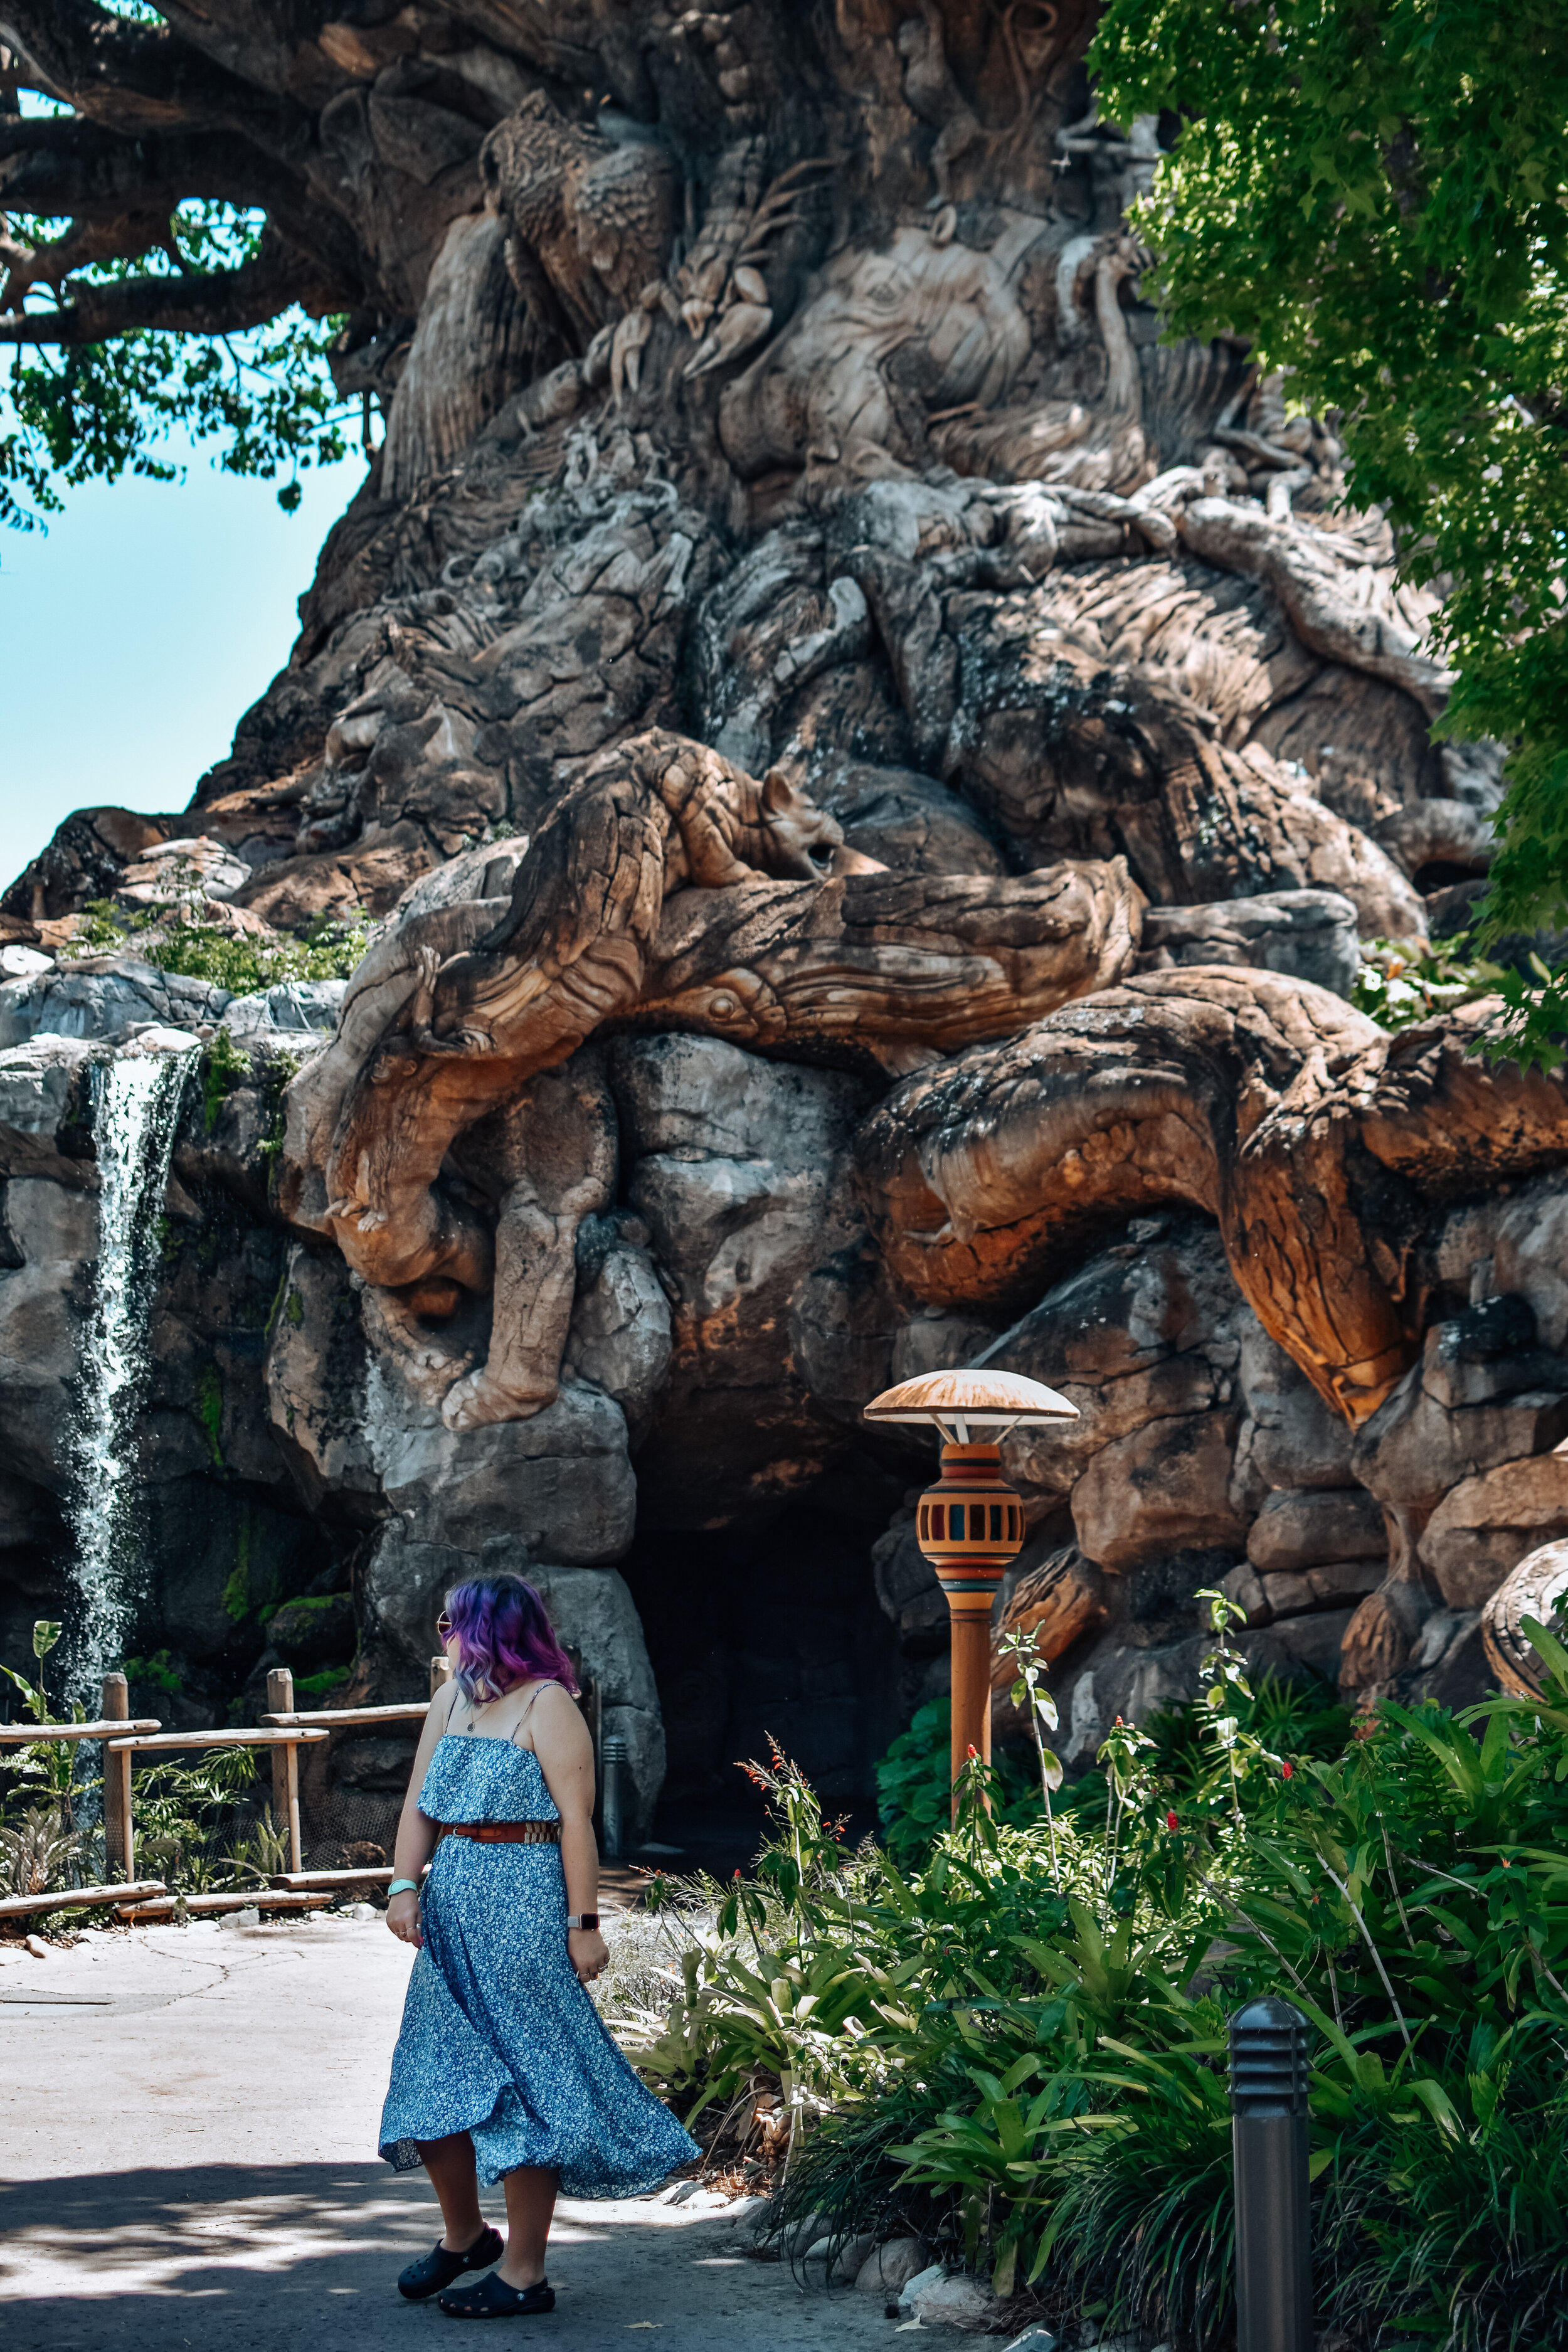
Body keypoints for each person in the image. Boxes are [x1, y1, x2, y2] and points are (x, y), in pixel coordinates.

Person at [377, 1571, 698, 2318]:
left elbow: (577, 1824)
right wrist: (402, 1886)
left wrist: (583, 1927)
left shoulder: (550, 1705)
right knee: (431, 2078)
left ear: (487, 1628)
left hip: (523, 1902)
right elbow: (420, 1802)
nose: (442, 1632)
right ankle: (466, 2236)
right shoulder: (450, 1699)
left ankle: (525, 2273)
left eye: (450, 1621)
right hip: (452, 1902)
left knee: (528, 2082)